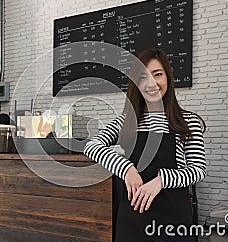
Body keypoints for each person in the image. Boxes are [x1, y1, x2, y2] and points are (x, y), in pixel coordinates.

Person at [83, 48, 206, 241]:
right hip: (132, 221)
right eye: (143, 77)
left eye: (157, 74)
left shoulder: (187, 121)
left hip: (173, 221)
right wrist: (126, 169)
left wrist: (161, 180)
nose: (151, 83)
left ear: (168, 78)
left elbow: (198, 170)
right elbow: (91, 145)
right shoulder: (126, 121)